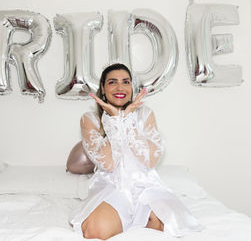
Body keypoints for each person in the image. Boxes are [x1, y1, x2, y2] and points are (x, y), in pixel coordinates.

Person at [70, 63, 203, 240]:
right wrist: (116, 121)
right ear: (103, 87)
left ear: (131, 87)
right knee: (96, 231)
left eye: (125, 82)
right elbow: (108, 164)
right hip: (112, 186)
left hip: (145, 186)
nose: (120, 87)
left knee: (167, 227)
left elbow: (149, 161)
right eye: (112, 82)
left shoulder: (145, 114)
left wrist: (128, 121)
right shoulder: (90, 119)